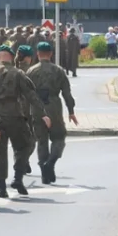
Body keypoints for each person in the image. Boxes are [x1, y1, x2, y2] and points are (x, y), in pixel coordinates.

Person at [0, 45, 48, 198]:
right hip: (14, 115)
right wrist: (43, 113)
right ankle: (18, 177)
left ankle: (1, 188)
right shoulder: (18, 73)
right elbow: (31, 95)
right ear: (11, 58)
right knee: (26, 145)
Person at [26, 42, 78, 184]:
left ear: (38, 54)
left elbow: (25, 93)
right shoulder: (58, 70)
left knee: (41, 140)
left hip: (37, 108)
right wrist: (71, 111)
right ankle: (51, 162)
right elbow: (67, 93)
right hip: (54, 106)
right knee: (59, 137)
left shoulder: (31, 71)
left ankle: (44, 171)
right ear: (51, 54)